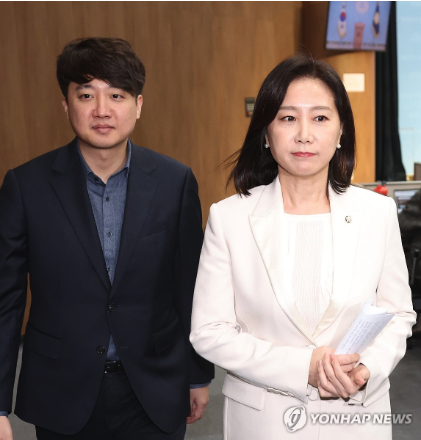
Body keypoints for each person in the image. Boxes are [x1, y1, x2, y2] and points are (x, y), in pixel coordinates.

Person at [190, 54, 415, 439]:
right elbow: (209, 331)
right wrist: (301, 368)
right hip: (264, 423)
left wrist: (366, 370)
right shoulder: (229, 218)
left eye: (321, 117)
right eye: (288, 118)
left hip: (356, 416)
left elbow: (398, 314)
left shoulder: (376, 213)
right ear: (266, 133)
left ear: (341, 131)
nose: (304, 134)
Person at [0, 37, 213, 440]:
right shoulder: (26, 186)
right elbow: (5, 302)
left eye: (116, 95)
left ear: (138, 105)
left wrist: (198, 374)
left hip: (154, 387)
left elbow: (189, 287)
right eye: (86, 95)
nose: (102, 109)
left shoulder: (175, 182)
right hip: (62, 391)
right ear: (66, 105)